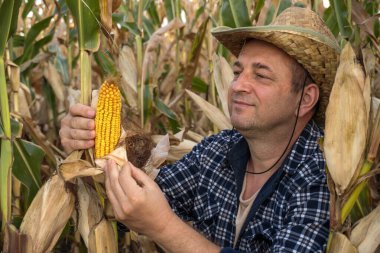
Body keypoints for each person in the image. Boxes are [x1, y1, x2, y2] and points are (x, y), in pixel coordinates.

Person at [60, 7, 340, 253]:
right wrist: (90, 150)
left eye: (261, 75)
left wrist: (164, 228)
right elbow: (131, 203)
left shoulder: (323, 178)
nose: (239, 85)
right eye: (237, 72)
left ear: (305, 99)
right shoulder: (217, 151)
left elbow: (157, 219)